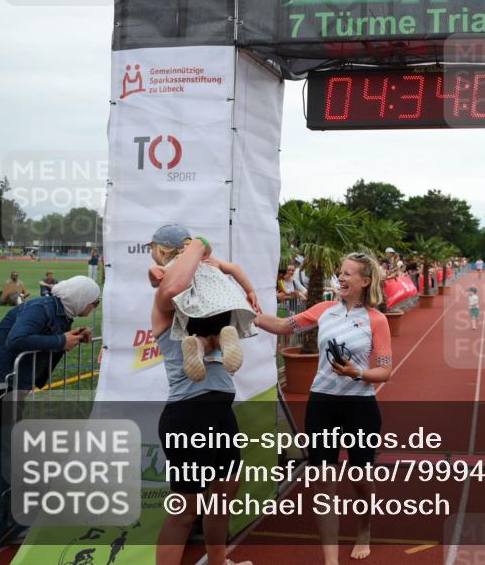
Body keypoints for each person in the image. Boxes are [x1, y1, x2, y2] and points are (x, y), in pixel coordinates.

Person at [255, 252, 392, 564]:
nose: (340, 278)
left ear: (365, 281)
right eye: (340, 272)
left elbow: (385, 371)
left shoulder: (376, 320)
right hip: (322, 404)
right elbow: (282, 325)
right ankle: (331, 560)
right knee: (322, 480)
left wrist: (357, 373)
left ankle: (364, 528)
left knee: (360, 478)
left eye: (348, 274)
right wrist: (250, 315)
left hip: (360, 406)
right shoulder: (323, 310)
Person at [147, 224, 252, 565]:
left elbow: (228, 284)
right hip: (188, 414)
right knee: (186, 508)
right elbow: (174, 285)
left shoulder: (209, 295)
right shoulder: (166, 295)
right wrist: (200, 243)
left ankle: (217, 563)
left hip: (220, 410)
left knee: (223, 497)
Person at [0, 276, 100, 546]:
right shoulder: (41, 308)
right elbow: (17, 339)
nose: (95, 306)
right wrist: (60, 340)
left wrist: (72, 338)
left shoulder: (60, 312)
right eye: (94, 302)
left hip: (4, 385)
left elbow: (46, 343)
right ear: (80, 297)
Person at [148, 251, 258, 382]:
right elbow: (235, 268)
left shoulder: (176, 265)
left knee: (202, 340)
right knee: (218, 338)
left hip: (195, 310)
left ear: (163, 253)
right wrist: (250, 291)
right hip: (221, 304)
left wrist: (152, 270)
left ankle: (197, 345)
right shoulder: (208, 260)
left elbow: (157, 281)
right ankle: (224, 339)